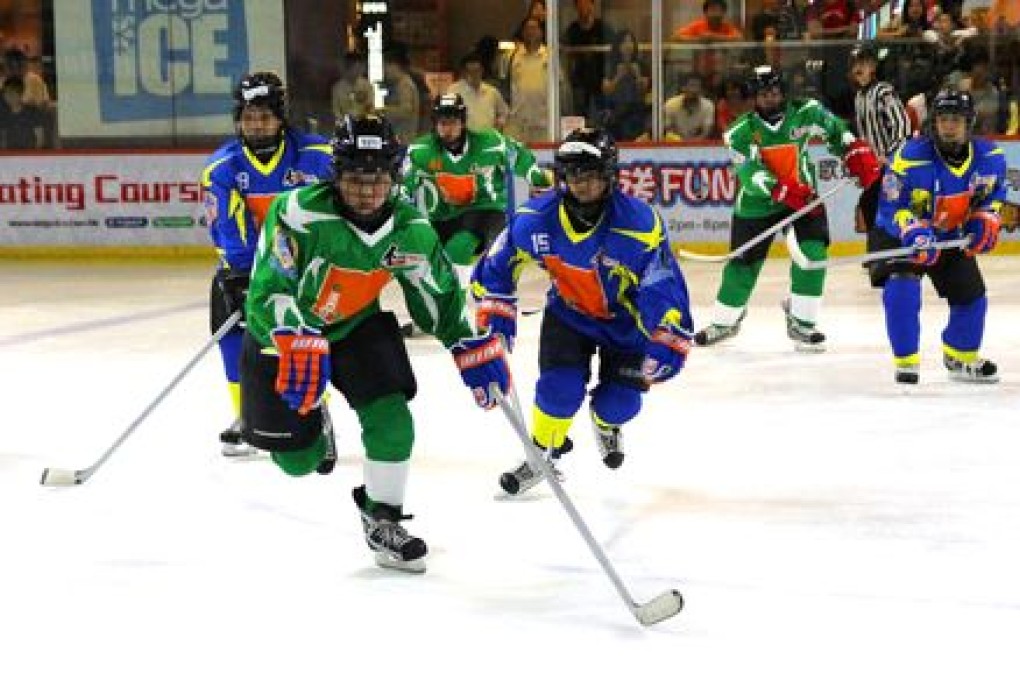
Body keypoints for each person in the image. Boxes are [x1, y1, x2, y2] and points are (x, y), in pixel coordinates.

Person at [239, 114, 510, 572]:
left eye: (378, 179)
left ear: (395, 177)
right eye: (355, 179)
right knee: (298, 463)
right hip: (284, 339)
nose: (367, 191)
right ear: (335, 176)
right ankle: (315, 425)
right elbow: (268, 288)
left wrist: (467, 345)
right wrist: (293, 334)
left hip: (354, 326)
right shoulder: (297, 213)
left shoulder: (412, 230)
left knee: (393, 421)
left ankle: (382, 518)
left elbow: (438, 298)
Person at [470, 127, 694, 495]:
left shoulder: (638, 225)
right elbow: (498, 265)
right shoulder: (534, 219)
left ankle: (606, 424)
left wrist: (667, 330)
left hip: (626, 326)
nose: (582, 185)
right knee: (559, 392)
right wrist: (495, 317)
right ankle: (541, 453)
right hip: (569, 317)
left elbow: (661, 283)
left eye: (591, 175)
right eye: (574, 175)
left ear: (610, 175)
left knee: (619, 404)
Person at [693, 65, 881, 352]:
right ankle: (726, 321)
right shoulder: (739, 133)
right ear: (753, 97)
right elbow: (749, 172)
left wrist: (853, 149)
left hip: (804, 199)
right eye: (763, 93)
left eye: (775, 91)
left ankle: (802, 321)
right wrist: (778, 189)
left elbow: (837, 131)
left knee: (812, 255)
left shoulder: (808, 111)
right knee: (744, 266)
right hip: (758, 206)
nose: (770, 97)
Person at [201, 72, 334, 460]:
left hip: (308, 268)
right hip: (251, 268)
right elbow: (225, 225)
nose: (255, 123)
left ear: (281, 115)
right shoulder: (222, 167)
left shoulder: (318, 157)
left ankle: (316, 412)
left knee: (310, 337)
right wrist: (242, 275)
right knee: (229, 335)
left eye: (264, 115)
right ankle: (246, 415)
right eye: (247, 115)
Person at [873, 88, 1006, 384]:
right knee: (902, 289)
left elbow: (994, 195)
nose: (949, 125)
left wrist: (986, 218)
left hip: (950, 233)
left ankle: (961, 355)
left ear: (969, 122)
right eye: (943, 119)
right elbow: (890, 204)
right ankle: (906, 360)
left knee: (972, 296)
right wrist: (913, 231)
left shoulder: (991, 157)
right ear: (933, 122)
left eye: (956, 119)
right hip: (900, 234)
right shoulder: (908, 157)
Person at [403, 93, 553, 273]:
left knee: (465, 246)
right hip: (443, 218)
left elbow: (520, 155)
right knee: (430, 257)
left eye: (452, 122)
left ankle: (490, 282)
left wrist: (538, 179)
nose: (447, 128)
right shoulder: (420, 151)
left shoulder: (490, 143)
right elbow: (404, 186)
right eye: (442, 123)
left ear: (463, 122)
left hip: (486, 211)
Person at [849, 43, 911, 246]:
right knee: (870, 205)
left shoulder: (883, 91)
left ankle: (884, 250)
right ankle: (877, 250)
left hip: (891, 166)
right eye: (856, 64)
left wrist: (891, 156)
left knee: (881, 205)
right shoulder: (859, 96)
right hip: (873, 167)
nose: (859, 69)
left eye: (864, 63)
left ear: (874, 65)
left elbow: (902, 125)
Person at [600, 29, 650, 141]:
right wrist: (618, 77)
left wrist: (637, 75)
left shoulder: (641, 65)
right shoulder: (611, 65)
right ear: (618, 46)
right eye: (624, 42)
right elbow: (606, 90)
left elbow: (644, 90)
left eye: (630, 41)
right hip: (616, 111)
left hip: (636, 112)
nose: (628, 45)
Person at [446, 52, 509, 132]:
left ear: (482, 71)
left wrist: (499, 124)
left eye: (477, 71)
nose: (474, 75)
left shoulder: (491, 91)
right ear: (463, 73)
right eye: (470, 71)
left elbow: (504, 111)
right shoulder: (452, 91)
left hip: (487, 138)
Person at [0, 76, 44, 149]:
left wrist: (35, 156)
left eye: (13, 94)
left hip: (29, 154)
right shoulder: (3, 115)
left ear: (21, 94)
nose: (10, 97)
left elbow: (40, 138)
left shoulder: (32, 112)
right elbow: (3, 139)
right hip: (10, 156)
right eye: (6, 94)